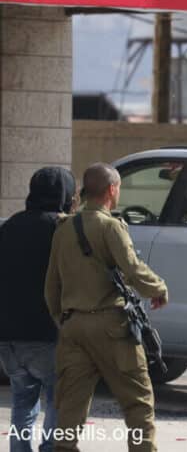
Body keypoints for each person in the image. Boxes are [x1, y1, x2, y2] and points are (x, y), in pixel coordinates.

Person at [44, 163, 169, 452]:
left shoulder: (62, 230)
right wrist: (159, 288)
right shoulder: (110, 226)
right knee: (138, 404)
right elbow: (133, 269)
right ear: (112, 190)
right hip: (111, 327)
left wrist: (63, 320)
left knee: (70, 409)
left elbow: (51, 286)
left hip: (73, 327)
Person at [0, 167, 76, 452]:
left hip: (8, 337)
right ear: (66, 195)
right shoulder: (62, 229)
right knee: (58, 400)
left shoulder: (9, 226)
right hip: (47, 334)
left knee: (22, 401)